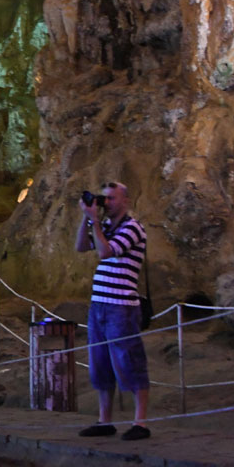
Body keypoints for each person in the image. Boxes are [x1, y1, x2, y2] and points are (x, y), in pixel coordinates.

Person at [75, 181, 150, 441]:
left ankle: (140, 422)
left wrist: (94, 221)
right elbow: (81, 247)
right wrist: (85, 218)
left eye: (111, 199)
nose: (106, 203)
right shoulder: (105, 226)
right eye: (104, 198)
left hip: (122, 307)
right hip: (99, 305)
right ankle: (104, 420)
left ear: (125, 201)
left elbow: (105, 252)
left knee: (129, 362)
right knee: (100, 363)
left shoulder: (133, 228)